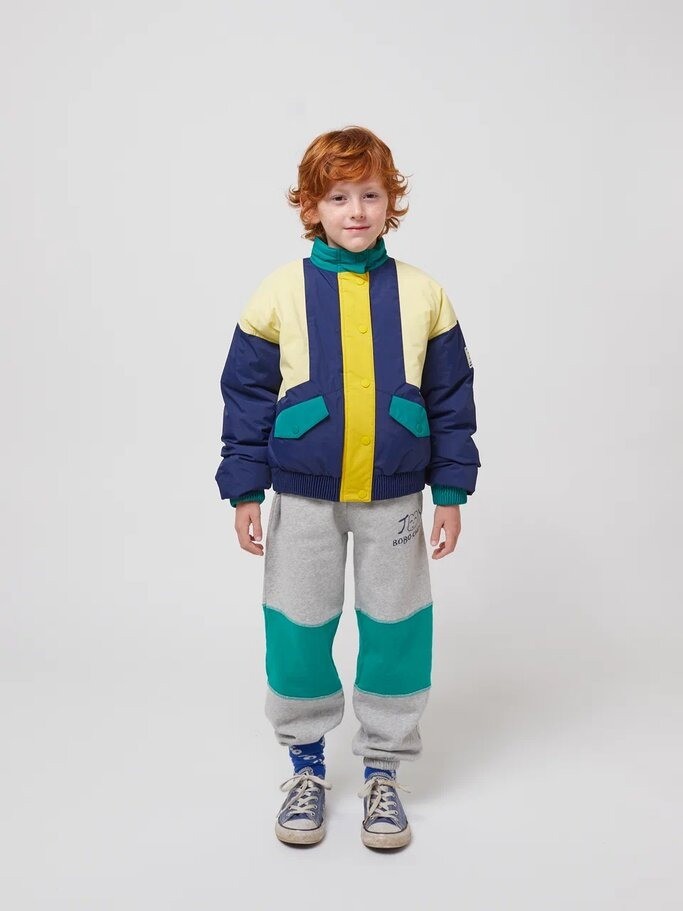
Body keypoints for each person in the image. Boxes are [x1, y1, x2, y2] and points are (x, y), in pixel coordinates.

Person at [215, 125, 481, 849]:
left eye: (369, 194)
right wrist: (245, 490)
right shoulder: (279, 291)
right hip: (302, 497)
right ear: (310, 206)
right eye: (338, 197)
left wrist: (450, 492)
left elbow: (451, 398)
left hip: (395, 499)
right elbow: (246, 395)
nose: (355, 211)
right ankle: (305, 764)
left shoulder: (424, 294)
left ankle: (383, 770)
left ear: (391, 202)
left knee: (396, 627)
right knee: (297, 625)